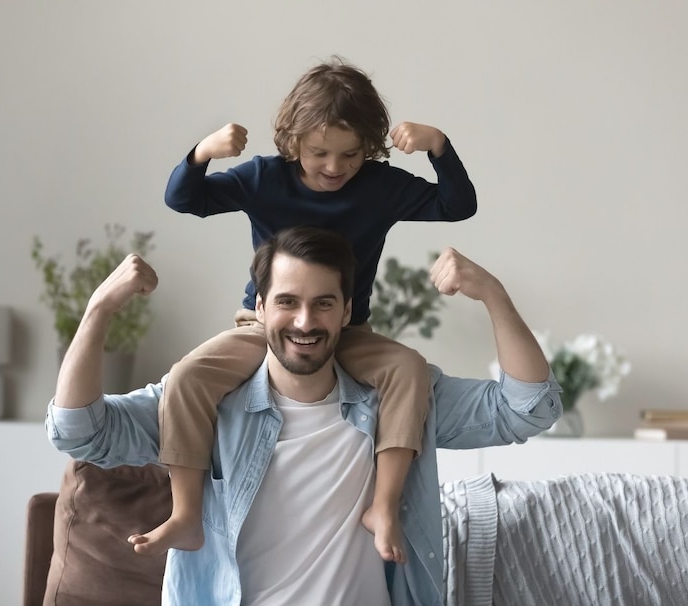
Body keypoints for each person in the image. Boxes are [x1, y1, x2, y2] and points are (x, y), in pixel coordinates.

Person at [46, 226, 562, 606]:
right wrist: (98, 312)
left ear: (346, 310)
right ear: (261, 308)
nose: (304, 321)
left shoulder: (396, 398)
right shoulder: (208, 402)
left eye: (322, 304)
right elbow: (80, 433)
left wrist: (493, 295)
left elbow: (528, 410)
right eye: (288, 302)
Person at [145, 56, 479, 563]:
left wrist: (439, 146)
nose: (334, 167)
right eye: (319, 152)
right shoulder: (264, 178)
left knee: (409, 369)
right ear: (292, 141)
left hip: (349, 332)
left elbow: (458, 204)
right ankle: (186, 514)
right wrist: (203, 153)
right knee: (187, 377)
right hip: (265, 329)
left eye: (349, 155)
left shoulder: (381, 186)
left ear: (368, 149)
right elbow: (183, 199)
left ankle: (383, 507)